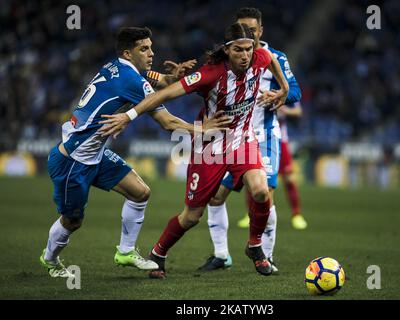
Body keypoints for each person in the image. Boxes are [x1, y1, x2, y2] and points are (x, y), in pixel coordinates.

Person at [99, 22, 290, 278]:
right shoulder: (210, 74)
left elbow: (272, 62)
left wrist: (284, 89)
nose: (245, 56)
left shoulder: (260, 56)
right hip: (210, 148)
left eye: (248, 49)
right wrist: (129, 116)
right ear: (227, 50)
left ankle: (255, 246)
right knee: (191, 216)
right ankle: (159, 253)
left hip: (244, 140)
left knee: (260, 191)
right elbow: (163, 95)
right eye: (238, 50)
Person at [40, 26, 230, 278]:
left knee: (140, 192)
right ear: (128, 53)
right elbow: (168, 122)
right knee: (72, 221)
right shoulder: (133, 81)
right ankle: (50, 259)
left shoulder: (114, 67)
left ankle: (126, 251)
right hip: (72, 162)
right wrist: (202, 129)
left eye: (151, 47)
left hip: (94, 155)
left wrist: (170, 78)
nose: (151, 53)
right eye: (144, 49)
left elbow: (153, 80)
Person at [197, 7, 301, 273]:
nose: (248, 37)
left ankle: (267, 255)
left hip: (263, 135)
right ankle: (221, 255)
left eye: (253, 31)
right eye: (243, 31)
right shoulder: (229, 58)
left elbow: (295, 91)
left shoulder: (273, 57)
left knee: (263, 195)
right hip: (231, 138)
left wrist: (277, 95)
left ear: (261, 31)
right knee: (216, 197)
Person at [277, 102, 307, 230]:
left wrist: (283, 109)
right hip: (258, 138)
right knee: (253, 176)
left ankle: (296, 214)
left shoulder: (284, 85)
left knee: (289, 177)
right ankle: (250, 215)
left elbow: (298, 111)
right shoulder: (253, 84)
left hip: (280, 139)